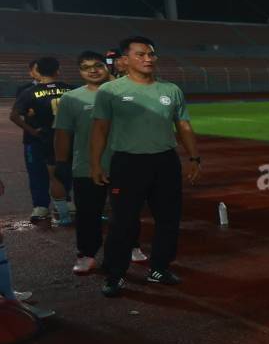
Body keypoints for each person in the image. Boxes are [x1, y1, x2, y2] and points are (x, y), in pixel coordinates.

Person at [91, 36, 200, 297]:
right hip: (128, 163)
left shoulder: (171, 90)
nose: (148, 59)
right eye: (140, 54)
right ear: (125, 60)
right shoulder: (110, 91)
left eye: (151, 54)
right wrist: (95, 163)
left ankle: (159, 268)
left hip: (165, 161)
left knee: (169, 219)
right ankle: (115, 274)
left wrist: (194, 157)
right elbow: (100, 129)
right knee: (123, 222)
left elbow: (183, 125)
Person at [54, 52, 115, 274]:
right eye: (86, 67)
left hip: (123, 163)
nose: (93, 70)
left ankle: (132, 246)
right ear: (79, 71)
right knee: (88, 213)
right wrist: (61, 163)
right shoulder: (71, 98)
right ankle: (87, 254)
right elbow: (63, 133)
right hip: (86, 166)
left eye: (97, 65)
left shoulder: (122, 93)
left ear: (106, 67)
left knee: (127, 212)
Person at [9, 55, 71, 225]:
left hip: (37, 138)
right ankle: (58, 203)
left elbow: (14, 115)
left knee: (40, 172)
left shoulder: (29, 92)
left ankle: (44, 206)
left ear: (37, 71)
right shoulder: (70, 89)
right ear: (58, 71)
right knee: (61, 169)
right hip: (61, 137)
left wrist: (33, 131)